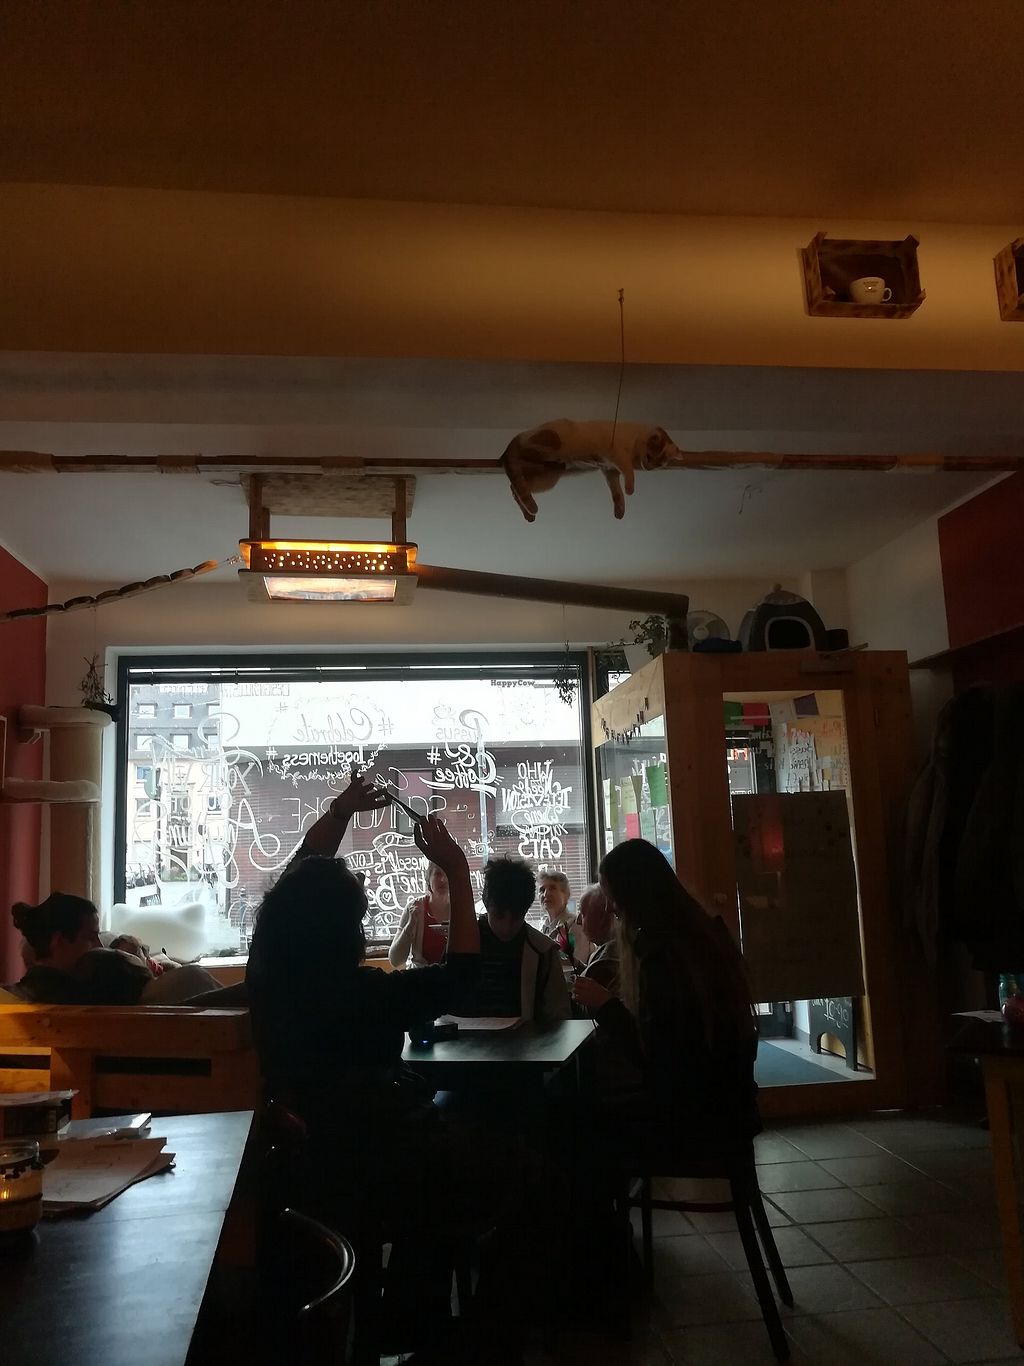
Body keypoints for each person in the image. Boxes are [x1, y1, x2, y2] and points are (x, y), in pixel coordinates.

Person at [572, 838, 759, 1154]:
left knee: (581, 1119)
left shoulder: (660, 956)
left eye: (611, 896)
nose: (610, 908)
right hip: (733, 1104)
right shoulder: (705, 933)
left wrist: (605, 1005)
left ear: (630, 894)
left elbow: (654, 1054)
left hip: (690, 1115)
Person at [460, 856, 570, 1023]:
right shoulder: (462, 944)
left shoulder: (544, 951)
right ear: (486, 904)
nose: (506, 926)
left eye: (516, 917)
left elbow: (558, 1017)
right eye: (499, 916)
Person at [9, 893, 152, 1004]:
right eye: (90, 937)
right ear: (58, 941)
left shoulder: (9, 997)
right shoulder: (98, 998)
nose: (100, 946)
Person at [388, 862, 451, 968]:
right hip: (421, 975)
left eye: (448, 874)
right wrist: (410, 925)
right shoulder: (414, 907)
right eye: (438, 874)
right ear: (428, 879)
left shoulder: (461, 909)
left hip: (452, 975)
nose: (443, 879)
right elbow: (395, 960)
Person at [574, 883, 617, 991]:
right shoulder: (609, 948)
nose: (578, 921)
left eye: (583, 914)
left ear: (602, 918)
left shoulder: (606, 961)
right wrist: (577, 964)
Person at [538, 869, 575, 956]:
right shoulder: (542, 928)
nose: (545, 894)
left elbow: (576, 961)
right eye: (542, 890)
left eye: (552, 888)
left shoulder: (574, 926)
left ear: (566, 895)